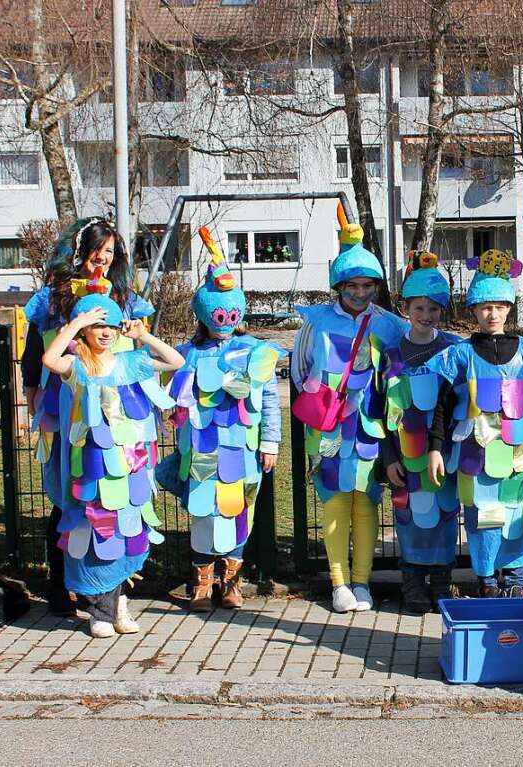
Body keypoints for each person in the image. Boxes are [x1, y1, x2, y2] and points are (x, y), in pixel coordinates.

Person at [24, 218, 154, 615]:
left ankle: (111, 587)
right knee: (68, 492)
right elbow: (35, 351)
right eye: (96, 256)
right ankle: (63, 586)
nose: (102, 263)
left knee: (109, 490)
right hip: (63, 402)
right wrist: (33, 394)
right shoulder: (53, 297)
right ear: (80, 254)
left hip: (109, 409)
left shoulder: (125, 297)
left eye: (109, 255)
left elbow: (139, 351)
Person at [40, 280, 182, 638]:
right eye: (97, 326)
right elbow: (48, 359)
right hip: (91, 466)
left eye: (110, 326)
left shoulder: (130, 361)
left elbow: (175, 361)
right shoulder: (77, 365)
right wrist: (73, 323)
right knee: (95, 530)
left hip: (129, 467)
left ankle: (118, 602)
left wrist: (142, 334)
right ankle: (99, 610)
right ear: (85, 330)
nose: (104, 333)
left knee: (124, 530)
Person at [157, 228, 285, 612]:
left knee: (236, 509)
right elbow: (169, 395)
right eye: (217, 315)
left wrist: (270, 441)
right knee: (203, 511)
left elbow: (268, 399)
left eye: (231, 315)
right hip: (199, 450)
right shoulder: (187, 354)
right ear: (203, 314)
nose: (225, 322)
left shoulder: (253, 351)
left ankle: (231, 581)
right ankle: (200, 581)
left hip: (242, 450)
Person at [290, 215, 408, 613]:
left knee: (367, 501)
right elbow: (299, 368)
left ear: (376, 287)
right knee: (336, 500)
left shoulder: (389, 325)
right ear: (339, 287)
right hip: (329, 426)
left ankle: (363, 583)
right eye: (352, 286)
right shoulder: (317, 321)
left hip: (370, 427)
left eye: (367, 285)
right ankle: (339, 583)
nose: (359, 293)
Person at [425, 249, 523, 597]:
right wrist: (436, 449)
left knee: (516, 517)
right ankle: (486, 583)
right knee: (482, 519)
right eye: (485, 307)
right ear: (473, 311)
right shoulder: (459, 355)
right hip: (474, 457)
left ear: (509, 309)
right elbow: (443, 405)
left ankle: (515, 583)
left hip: (520, 458)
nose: (492, 313)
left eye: (499, 306)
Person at [380, 251, 461, 613]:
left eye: (433, 309)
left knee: (443, 512)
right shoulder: (392, 354)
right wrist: (389, 458)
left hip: (443, 452)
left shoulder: (454, 350)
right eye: (419, 309)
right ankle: (412, 582)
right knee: (409, 515)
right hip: (405, 456)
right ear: (405, 308)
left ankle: (443, 580)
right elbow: (377, 411)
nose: (426, 316)